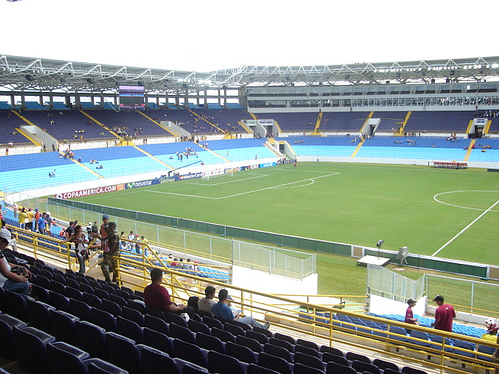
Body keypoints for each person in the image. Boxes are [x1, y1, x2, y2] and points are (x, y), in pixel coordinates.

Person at [0, 227, 31, 294]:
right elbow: (6, 273)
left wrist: (20, 267)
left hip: (3, 282)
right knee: (26, 285)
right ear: (2, 241)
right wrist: (20, 278)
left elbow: (5, 264)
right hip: (1, 286)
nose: (6, 246)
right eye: (6, 244)